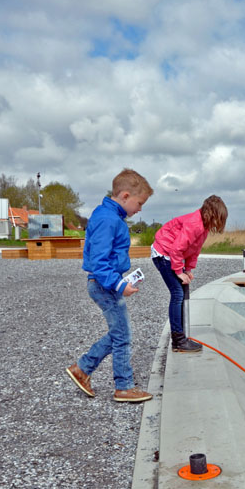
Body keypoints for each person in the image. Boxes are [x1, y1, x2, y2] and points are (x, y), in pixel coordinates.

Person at [67, 168, 154, 403]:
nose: (140, 209)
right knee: (123, 335)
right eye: (139, 203)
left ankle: (83, 369)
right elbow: (98, 261)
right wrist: (118, 284)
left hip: (105, 283)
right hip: (104, 284)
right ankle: (123, 386)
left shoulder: (108, 216)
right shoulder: (108, 219)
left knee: (119, 333)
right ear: (125, 196)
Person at [152, 195, 228, 352]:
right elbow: (176, 249)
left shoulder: (203, 228)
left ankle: (180, 335)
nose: (217, 224)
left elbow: (194, 250)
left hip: (170, 254)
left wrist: (188, 270)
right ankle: (178, 341)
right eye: (217, 219)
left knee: (180, 293)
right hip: (163, 253)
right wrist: (179, 271)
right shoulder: (194, 224)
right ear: (210, 213)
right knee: (177, 294)